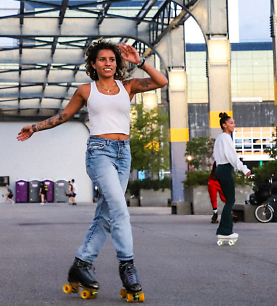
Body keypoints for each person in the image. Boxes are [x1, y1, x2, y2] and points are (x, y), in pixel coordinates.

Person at [17, 40, 167, 300]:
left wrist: (139, 61)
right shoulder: (86, 90)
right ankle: (127, 266)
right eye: (102, 59)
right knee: (119, 209)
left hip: (123, 154)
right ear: (93, 64)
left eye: (111, 59)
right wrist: (35, 127)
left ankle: (81, 265)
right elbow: (62, 117)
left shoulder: (128, 87)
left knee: (107, 215)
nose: (107, 63)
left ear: (116, 62)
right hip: (99, 153)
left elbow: (162, 81)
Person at [213, 114, 251, 242]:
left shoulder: (220, 138)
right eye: (231, 123)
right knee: (230, 200)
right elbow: (232, 156)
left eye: (234, 123)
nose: (233, 125)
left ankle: (224, 230)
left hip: (221, 169)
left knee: (229, 200)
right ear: (224, 125)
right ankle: (225, 231)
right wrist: (244, 169)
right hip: (224, 168)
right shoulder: (225, 137)